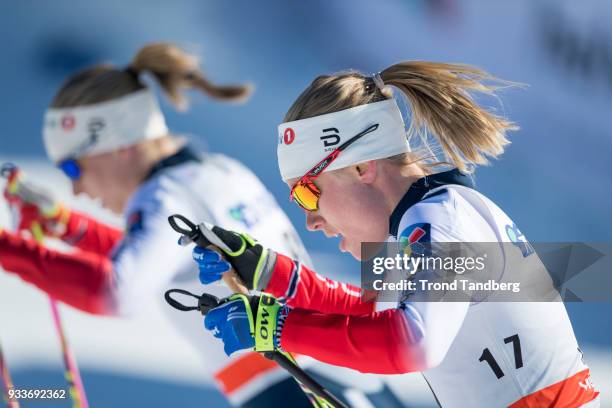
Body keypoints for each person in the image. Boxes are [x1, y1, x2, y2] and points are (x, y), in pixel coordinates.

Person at [0, 43, 407, 408]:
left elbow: (115, 293)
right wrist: (68, 227)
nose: (75, 187)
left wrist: (9, 250)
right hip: (341, 372)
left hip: (290, 386)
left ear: (119, 144)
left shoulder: (163, 195)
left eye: (74, 165)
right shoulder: (218, 169)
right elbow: (161, 256)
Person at [191, 62, 600, 407]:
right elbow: (371, 313)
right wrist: (270, 274)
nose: (310, 220)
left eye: (307, 192)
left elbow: (412, 343)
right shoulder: (422, 223)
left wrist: (277, 326)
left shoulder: (441, 221)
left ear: (359, 168)